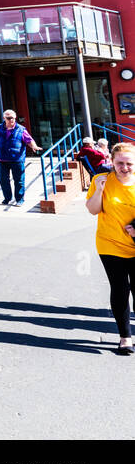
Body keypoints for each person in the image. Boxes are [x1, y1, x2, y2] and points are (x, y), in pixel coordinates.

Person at [86, 142, 135, 354]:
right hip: (110, 244)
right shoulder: (101, 180)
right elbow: (92, 210)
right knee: (120, 290)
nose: (124, 167)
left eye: (129, 163)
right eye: (120, 163)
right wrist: (99, 190)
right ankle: (125, 337)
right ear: (112, 162)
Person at [0, 109, 41, 207]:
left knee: (19, 180)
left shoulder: (21, 129)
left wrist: (34, 146)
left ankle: (19, 199)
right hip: (2, 158)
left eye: (13, 118)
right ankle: (7, 198)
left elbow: (29, 140)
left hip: (16, 159)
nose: (12, 120)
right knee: (3, 180)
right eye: (9, 118)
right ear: (4, 118)